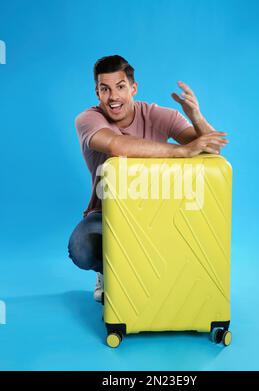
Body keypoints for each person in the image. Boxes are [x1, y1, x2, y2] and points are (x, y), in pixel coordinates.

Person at [68, 55, 228, 302]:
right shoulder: (88, 119)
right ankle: (106, 272)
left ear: (133, 88)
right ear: (97, 93)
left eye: (120, 87)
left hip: (159, 210)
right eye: (105, 89)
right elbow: (116, 145)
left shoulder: (158, 115)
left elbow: (212, 150)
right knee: (81, 247)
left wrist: (196, 116)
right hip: (108, 213)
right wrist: (180, 151)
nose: (113, 97)